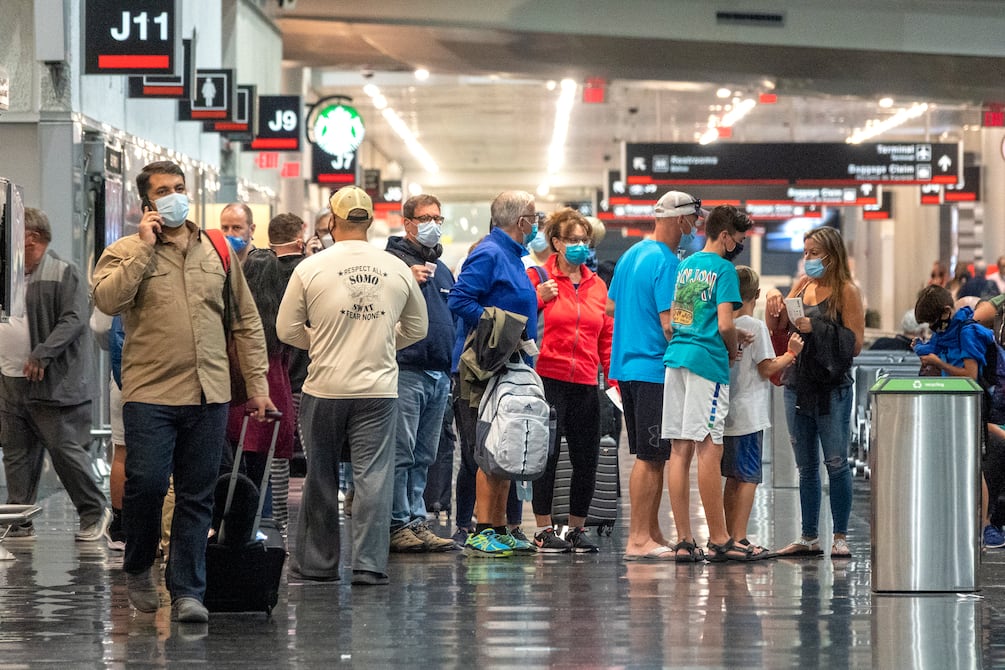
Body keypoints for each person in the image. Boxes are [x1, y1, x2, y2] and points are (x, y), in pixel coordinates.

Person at [92, 160, 274, 623]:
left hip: (208, 392)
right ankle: (138, 563)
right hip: (150, 391)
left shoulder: (217, 249)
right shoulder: (123, 251)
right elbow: (108, 301)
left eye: (179, 187)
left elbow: (245, 321)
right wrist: (143, 249)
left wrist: (257, 386)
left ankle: (189, 590)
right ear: (146, 203)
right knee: (148, 484)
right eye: (163, 191)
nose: (174, 196)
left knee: (197, 495)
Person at [277, 185, 428, 586]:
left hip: (325, 387)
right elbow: (418, 328)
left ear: (332, 221)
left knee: (320, 476)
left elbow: (286, 329)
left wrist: (322, 340)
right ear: (371, 221)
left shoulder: (310, 268)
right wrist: (384, 340)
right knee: (374, 478)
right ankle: (369, 565)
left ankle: (318, 564)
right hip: (378, 389)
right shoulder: (396, 267)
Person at [0, 208, 111, 541]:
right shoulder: (9, 275)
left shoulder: (64, 272)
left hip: (54, 384)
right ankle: (19, 521)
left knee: (65, 451)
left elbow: (73, 320)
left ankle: (94, 512)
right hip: (10, 380)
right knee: (17, 454)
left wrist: (42, 353)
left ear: (31, 238)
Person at [609, 191, 706, 561]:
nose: (694, 227)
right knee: (650, 458)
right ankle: (637, 539)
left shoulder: (631, 255)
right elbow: (671, 324)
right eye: (692, 220)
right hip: (653, 368)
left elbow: (612, 305)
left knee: (651, 455)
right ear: (680, 219)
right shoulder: (667, 262)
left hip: (627, 367)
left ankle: (651, 532)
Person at [448, 190, 542, 557]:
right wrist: (498, 328)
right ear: (521, 221)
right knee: (487, 449)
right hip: (483, 369)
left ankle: (501, 527)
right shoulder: (489, 253)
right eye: (534, 216)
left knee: (506, 445)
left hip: (510, 368)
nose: (536, 223)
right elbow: (459, 299)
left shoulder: (514, 257)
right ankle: (482, 529)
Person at [766, 226, 864, 560]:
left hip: (831, 389)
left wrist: (818, 327)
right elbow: (780, 325)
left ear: (831, 255)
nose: (808, 259)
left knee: (835, 462)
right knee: (806, 467)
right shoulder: (803, 286)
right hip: (798, 385)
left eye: (814, 253)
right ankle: (809, 535)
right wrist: (775, 302)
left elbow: (855, 344)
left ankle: (840, 535)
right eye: (805, 252)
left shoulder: (846, 292)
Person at [662, 205, 753, 562]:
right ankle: (719, 538)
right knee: (709, 449)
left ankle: (684, 540)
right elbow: (726, 324)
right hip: (706, 364)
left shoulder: (686, 265)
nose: (738, 247)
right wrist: (731, 349)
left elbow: (680, 317)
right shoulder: (724, 269)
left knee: (679, 450)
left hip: (677, 359)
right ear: (725, 235)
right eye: (738, 240)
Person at [526, 208, 613, 553]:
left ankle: (576, 528)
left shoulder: (597, 285)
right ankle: (543, 529)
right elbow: (520, 317)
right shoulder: (539, 277)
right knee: (546, 458)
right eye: (573, 239)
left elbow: (605, 335)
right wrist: (539, 298)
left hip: (587, 381)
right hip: (548, 377)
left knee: (586, 458)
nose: (580, 246)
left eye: (584, 240)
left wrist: (611, 379)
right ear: (556, 242)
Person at [384, 194, 457, 553]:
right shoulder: (391, 263)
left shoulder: (441, 268)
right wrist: (403, 281)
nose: (433, 225)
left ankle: (416, 519)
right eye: (426, 218)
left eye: (438, 219)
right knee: (401, 452)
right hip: (406, 369)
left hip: (438, 373)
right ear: (408, 222)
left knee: (425, 453)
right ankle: (397, 522)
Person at [722, 266, 803, 558]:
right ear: (755, 294)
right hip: (749, 415)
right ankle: (740, 538)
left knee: (732, 478)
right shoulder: (754, 327)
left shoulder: (725, 325)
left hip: (727, 413)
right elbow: (767, 368)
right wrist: (791, 353)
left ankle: (727, 536)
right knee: (748, 478)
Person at [913, 286, 1004, 548]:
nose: (932, 328)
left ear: (946, 312)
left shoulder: (966, 332)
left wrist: (938, 363)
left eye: (933, 321)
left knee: (974, 466)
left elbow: (970, 375)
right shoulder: (946, 332)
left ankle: (983, 525)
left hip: (974, 403)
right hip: (953, 401)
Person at [223, 247, 296, 526]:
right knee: (265, 470)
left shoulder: (235, 313)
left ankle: (233, 526)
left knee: (232, 468)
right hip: (275, 395)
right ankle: (264, 525)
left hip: (240, 396)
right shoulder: (283, 315)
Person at [266, 212, 311, 531]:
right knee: (315, 455)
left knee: (276, 454)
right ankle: (313, 523)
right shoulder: (309, 272)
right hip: (307, 377)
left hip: (274, 376)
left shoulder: (259, 270)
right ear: (299, 239)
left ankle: (277, 522)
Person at [89, 308, 127, 550]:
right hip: (183, 380)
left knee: (122, 451)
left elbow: (101, 327)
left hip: (128, 373)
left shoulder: (118, 282)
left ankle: (122, 527)